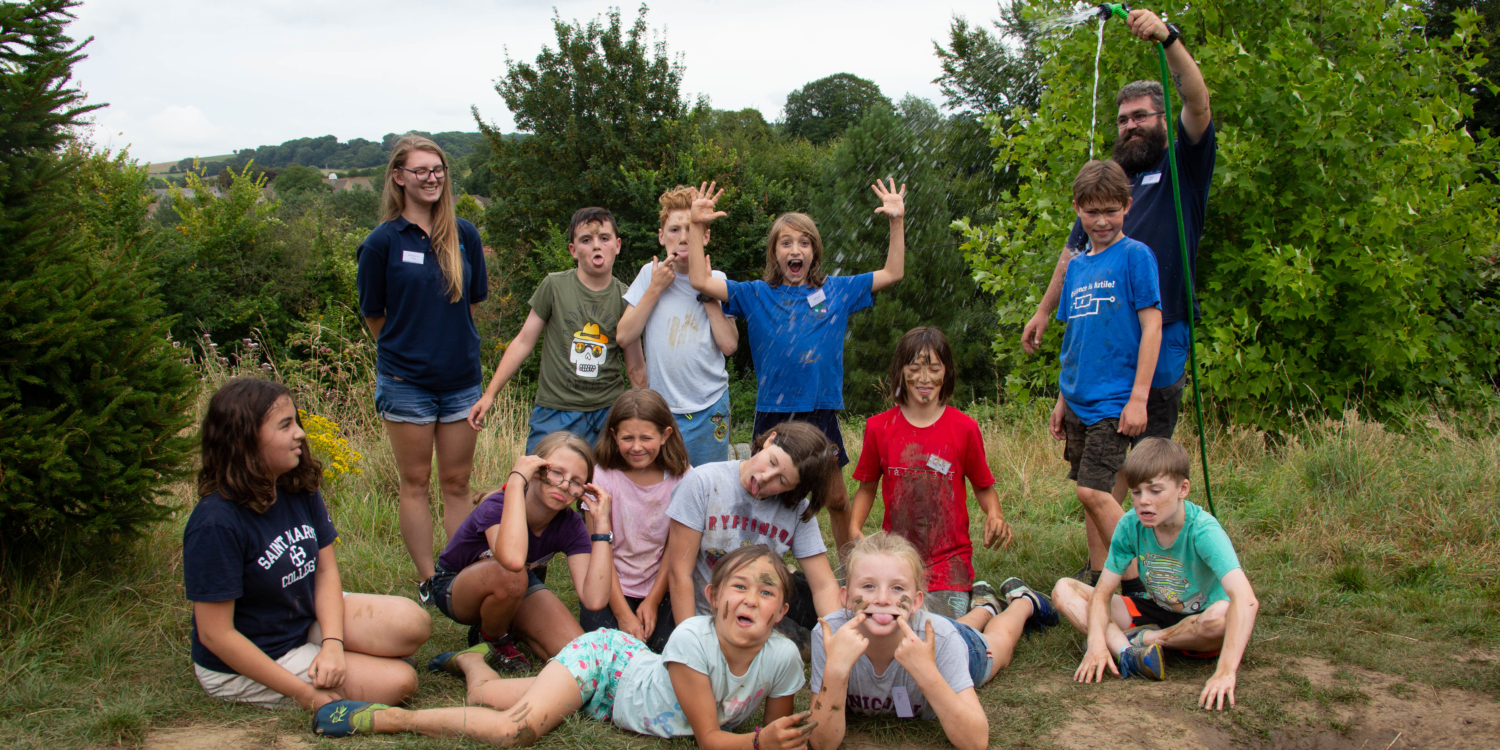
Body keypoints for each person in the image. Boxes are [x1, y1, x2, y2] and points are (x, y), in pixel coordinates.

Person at [1020, 6, 1216, 571]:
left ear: (1161, 118)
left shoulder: (1183, 166)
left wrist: (1169, 38)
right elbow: (1070, 255)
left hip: (1162, 330)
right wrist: (1042, 311)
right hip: (1102, 343)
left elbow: (1198, 103)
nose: (1131, 125)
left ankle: (1157, 568)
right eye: (1124, 119)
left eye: (1141, 117)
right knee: (1098, 473)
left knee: (1150, 464)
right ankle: (1101, 567)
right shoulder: (1107, 187)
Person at [314, 545, 816, 750]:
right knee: (517, 731)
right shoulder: (691, 638)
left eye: (767, 591)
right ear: (712, 596)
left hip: (616, 695)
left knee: (486, 699)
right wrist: (757, 743)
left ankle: (472, 665)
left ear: (781, 612)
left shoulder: (783, 658)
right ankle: (385, 718)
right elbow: (713, 739)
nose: (751, 598)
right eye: (740, 586)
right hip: (607, 666)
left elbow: (776, 730)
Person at [686, 180, 907, 556]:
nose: (795, 249)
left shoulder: (837, 291)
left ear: (815, 252)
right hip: (774, 413)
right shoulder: (755, 293)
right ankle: (758, 566)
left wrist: (896, 222)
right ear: (774, 252)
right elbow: (699, 280)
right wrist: (694, 226)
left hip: (819, 412)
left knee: (836, 498)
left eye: (804, 242)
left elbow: (892, 273)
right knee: (766, 497)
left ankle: (847, 567)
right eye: (786, 242)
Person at [183, 378, 429, 711]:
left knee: (413, 623)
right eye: (285, 425)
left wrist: (332, 644)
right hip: (255, 653)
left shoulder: (295, 486)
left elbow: (325, 571)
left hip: (302, 618)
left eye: (296, 421)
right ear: (244, 440)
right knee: (399, 682)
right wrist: (305, 694)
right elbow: (216, 635)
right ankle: (347, 666)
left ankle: (338, 657)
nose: (300, 432)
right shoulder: (215, 523)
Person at [355, 135, 489, 599]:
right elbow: (374, 314)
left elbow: (471, 305)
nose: (432, 178)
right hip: (405, 383)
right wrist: (408, 351)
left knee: (457, 482)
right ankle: (429, 579)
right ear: (398, 177)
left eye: (438, 170)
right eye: (421, 171)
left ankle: (459, 574)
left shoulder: (465, 235)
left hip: (461, 383)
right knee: (414, 482)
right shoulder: (381, 243)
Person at [1052, 438, 1258, 711]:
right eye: (1136, 492)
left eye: (1156, 491)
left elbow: (1247, 601)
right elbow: (1102, 594)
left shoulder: (1204, 530)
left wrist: (1225, 672)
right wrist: (1095, 644)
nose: (1144, 502)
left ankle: (1145, 641)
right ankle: (1127, 655)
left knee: (1222, 617)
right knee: (1064, 589)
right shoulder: (1130, 524)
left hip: (1202, 619)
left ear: (1183, 489)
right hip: (1154, 608)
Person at [808, 533, 1059, 750]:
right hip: (933, 629)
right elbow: (822, 744)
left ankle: (1023, 602)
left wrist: (926, 670)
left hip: (952, 644)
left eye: (897, 588)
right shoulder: (830, 635)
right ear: (847, 598)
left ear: (916, 601)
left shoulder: (942, 638)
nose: (882, 599)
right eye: (868, 586)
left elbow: (977, 741)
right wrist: (836, 669)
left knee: (999, 643)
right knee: (955, 627)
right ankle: (985, 607)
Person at [1048, 160, 1161, 588]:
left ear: (1127, 207)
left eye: (1111, 210)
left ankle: (1143, 581)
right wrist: (1062, 400)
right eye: (1092, 211)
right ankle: (1101, 579)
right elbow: (1074, 339)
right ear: (1077, 208)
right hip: (1077, 398)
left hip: (1115, 400)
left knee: (1093, 491)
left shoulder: (1136, 256)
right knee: (1090, 497)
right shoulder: (1075, 268)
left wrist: (1139, 397)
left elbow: (1152, 325)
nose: (1101, 221)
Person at [848, 326, 1012, 618]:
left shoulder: (964, 428)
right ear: (901, 372)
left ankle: (987, 606)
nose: (924, 379)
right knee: (885, 626)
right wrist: (854, 527)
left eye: (934, 368)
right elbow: (867, 487)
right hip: (896, 561)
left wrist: (995, 515)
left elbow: (983, 486)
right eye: (914, 369)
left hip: (951, 566)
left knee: (938, 635)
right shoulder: (878, 427)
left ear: (946, 373)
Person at [425, 432, 616, 673]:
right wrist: (516, 481)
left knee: (579, 656)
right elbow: (513, 560)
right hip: (456, 588)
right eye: (557, 473)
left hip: (517, 585)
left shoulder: (569, 524)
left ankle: (510, 630)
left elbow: (594, 599)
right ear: (536, 469)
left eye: (576, 481)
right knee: (512, 575)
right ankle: (492, 639)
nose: (565, 485)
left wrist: (602, 526)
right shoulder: (496, 505)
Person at [467, 207, 646, 452]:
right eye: (586, 240)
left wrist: (645, 417)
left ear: (617, 245)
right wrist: (489, 395)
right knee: (539, 483)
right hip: (554, 412)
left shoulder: (627, 298)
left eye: (604, 238)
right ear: (573, 250)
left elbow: (635, 366)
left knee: (599, 488)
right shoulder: (554, 286)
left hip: (606, 416)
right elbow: (523, 342)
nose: (596, 246)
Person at [664, 422, 842, 651]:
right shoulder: (702, 483)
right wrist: (689, 641)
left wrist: (836, 639)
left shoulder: (796, 509)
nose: (766, 477)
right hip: (705, 615)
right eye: (771, 461)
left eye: (782, 481)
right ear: (770, 440)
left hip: (757, 619)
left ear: (794, 490)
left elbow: (824, 585)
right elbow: (680, 572)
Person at [616, 186, 738, 467]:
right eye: (674, 230)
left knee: (708, 484)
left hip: (710, 406)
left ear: (705, 236)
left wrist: (705, 289)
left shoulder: (717, 278)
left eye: (691, 229)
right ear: (661, 237)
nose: (683, 237)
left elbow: (729, 345)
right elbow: (624, 335)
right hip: (662, 410)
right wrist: (655, 289)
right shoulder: (650, 275)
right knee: (665, 485)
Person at [580, 388, 691, 652]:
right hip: (609, 585)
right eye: (627, 438)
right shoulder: (600, 478)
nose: (636, 447)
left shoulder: (683, 478)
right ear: (614, 435)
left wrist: (652, 602)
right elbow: (599, 546)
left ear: (665, 435)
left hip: (662, 586)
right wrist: (622, 613)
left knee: (667, 648)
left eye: (646, 438)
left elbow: (675, 550)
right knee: (608, 650)